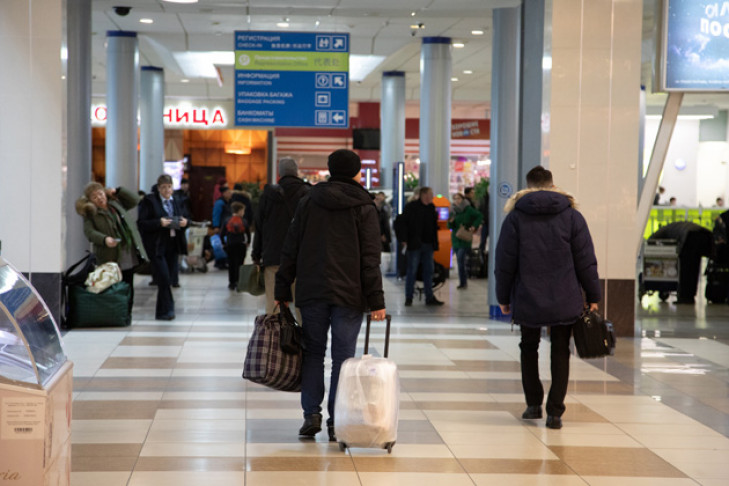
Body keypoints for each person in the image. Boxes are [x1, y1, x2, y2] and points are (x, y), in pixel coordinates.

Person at [275, 149, 386, 443]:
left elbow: (291, 246)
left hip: (312, 289)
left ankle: (311, 414)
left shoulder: (308, 201)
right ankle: (337, 420)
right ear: (357, 172)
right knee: (343, 358)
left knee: (313, 353)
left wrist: (282, 288)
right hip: (350, 293)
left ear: (329, 169)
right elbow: (370, 258)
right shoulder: (364, 205)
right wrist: (377, 301)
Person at [494, 166, 600, 430]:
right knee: (560, 350)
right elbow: (586, 261)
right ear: (553, 186)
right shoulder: (572, 216)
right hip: (565, 296)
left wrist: (503, 295)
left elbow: (504, 262)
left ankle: (533, 405)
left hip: (528, 294)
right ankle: (555, 412)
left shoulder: (515, 217)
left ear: (528, 187)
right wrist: (594, 295)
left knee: (528, 347)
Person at [75, 183, 146, 315]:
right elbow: (89, 232)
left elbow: (135, 200)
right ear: (90, 200)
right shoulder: (91, 213)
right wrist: (104, 239)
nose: (99, 198)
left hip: (126, 250)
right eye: (94, 197)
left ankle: (127, 312)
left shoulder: (116, 205)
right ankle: (116, 312)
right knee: (112, 284)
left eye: (101, 194)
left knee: (128, 281)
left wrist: (118, 191)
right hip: (109, 254)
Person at [252, 157, 310, 316]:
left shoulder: (268, 195)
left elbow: (259, 227)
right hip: (301, 259)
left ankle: (273, 338)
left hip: (273, 257)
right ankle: (302, 339)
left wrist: (256, 254)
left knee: (273, 303)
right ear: (296, 172)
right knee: (301, 305)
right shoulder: (307, 193)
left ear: (279, 173)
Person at [138, 174, 188, 320]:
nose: (167, 190)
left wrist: (185, 223)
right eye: (164, 187)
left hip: (173, 244)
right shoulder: (150, 201)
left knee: (169, 280)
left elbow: (185, 218)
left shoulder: (177, 201)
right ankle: (168, 309)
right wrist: (159, 223)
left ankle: (162, 312)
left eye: (169, 187)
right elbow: (142, 223)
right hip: (157, 245)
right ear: (159, 188)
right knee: (164, 278)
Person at [395, 186, 443, 306]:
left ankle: (429, 297)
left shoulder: (431, 208)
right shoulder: (411, 207)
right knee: (412, 270)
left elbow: (433, 227)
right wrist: (404, 239)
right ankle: (409, 297)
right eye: (430, 194)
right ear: (423, 195)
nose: (432, 196)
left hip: (428, 244)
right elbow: (401, 223)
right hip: (415, 244)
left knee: (429, 271)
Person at [447, 192, 483, 289]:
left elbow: (479, 216)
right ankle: (463, 282)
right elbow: (449, 225)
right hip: (456, 238)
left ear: (462, 199)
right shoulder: (453, 211)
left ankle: (463, 282)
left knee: (460, 261)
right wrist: (450, 222)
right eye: (454, 199)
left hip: (465, 239)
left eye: (458, 198)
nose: (456, 201)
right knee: (459, 261)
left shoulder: (468, 209)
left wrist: (473, 226)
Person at [223, 202, 248, 290]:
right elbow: (247, 234)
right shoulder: (244, 221)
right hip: (241, 245)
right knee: (240, 264)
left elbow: (222, 233)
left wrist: (223, 243)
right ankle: (238, 282)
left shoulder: (227, 220)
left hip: (230, 245)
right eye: (243, 211)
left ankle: (231, 282)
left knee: (231, 264)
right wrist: (248, 243)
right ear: (240, 211)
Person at [211, 185, 233, 269]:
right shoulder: (219, 203)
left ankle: (225, 261)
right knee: (220, 244)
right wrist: (216, 226)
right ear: (223, 193)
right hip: (221, 227)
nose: (230, 194)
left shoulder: (229, 202)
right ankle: (220, 262)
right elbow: (216, 215)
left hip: (227, 227)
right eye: (228, 192)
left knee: (225, 244)